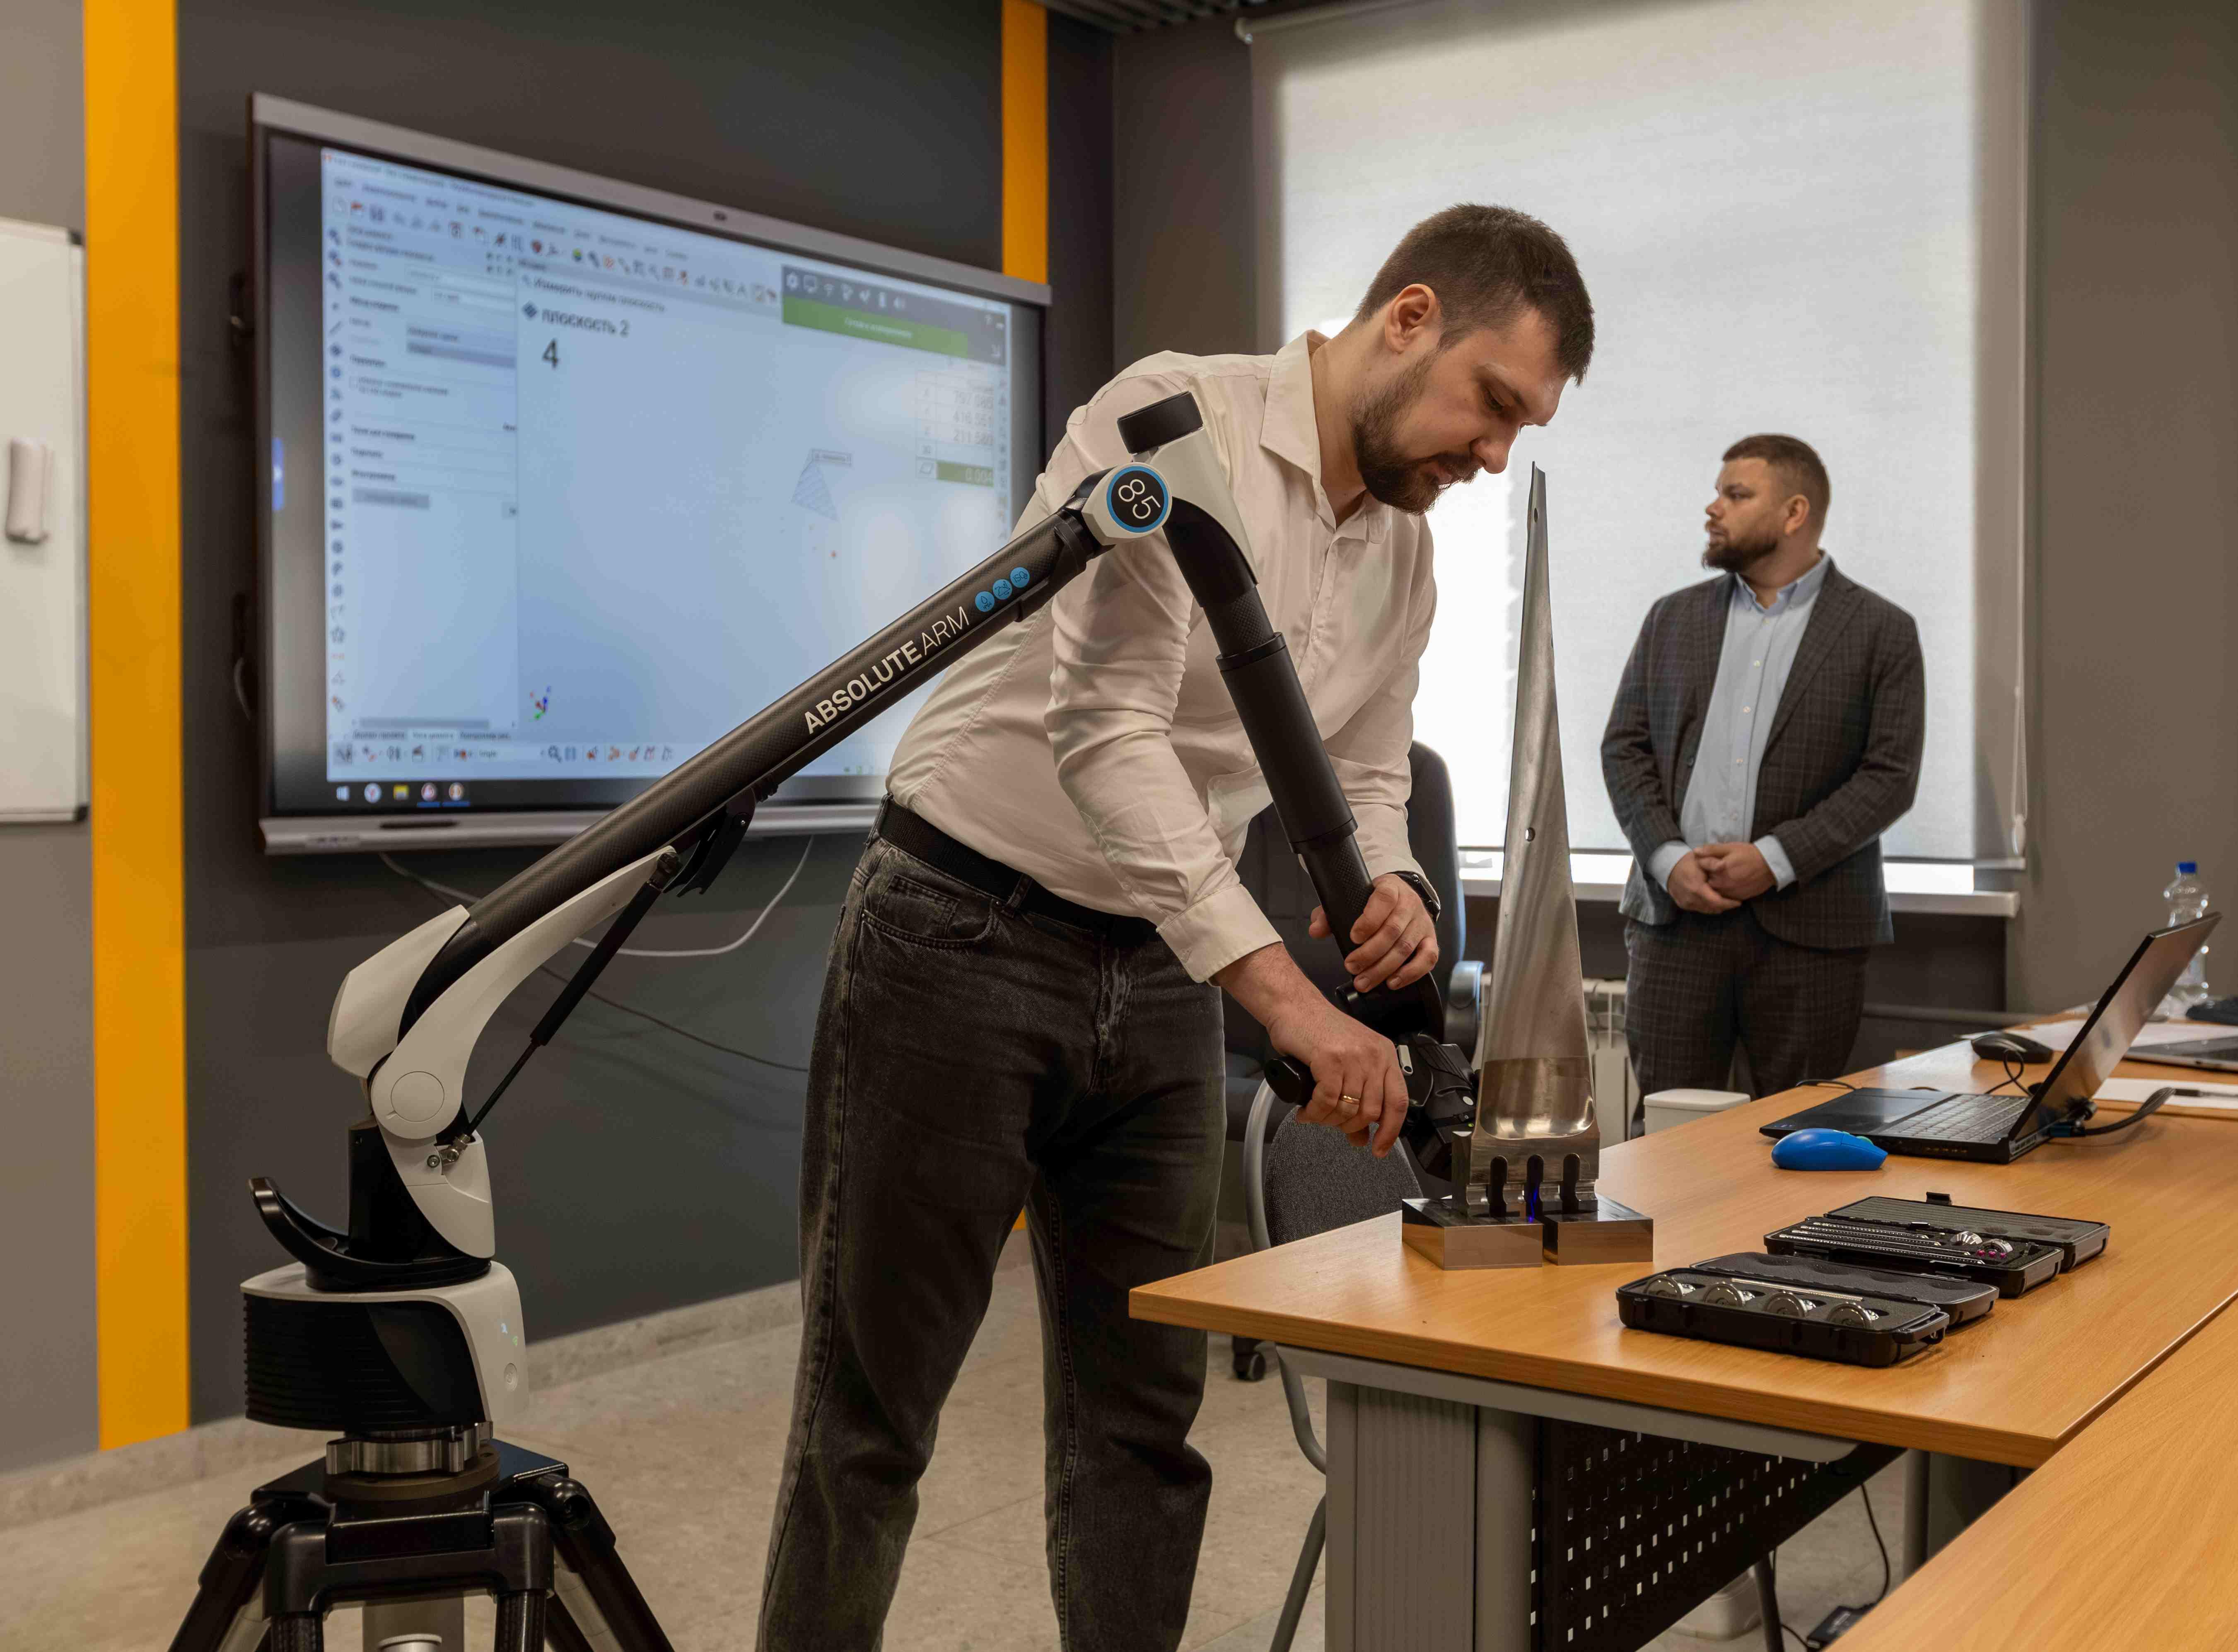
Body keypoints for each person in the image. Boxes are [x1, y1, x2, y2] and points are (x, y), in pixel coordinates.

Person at [759, 205, 1594, 1652]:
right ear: (1408, 319)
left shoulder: (1402, 551)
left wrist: (1393, 881)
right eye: (1493, 403)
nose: (1494, 454)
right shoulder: (1166, 423)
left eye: (1523, 427)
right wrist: (1289, 1002)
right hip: (960, 928)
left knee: (1142, 1422)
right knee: (870, 1419)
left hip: (1153, 963)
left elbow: (1370, 765)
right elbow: (1109, 734)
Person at [1600, 434, 1923, 1110]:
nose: (1713, 508)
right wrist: (1667, 858)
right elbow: (1625, 747)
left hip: (1813, 932)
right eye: (1718, 492)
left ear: (1794, 512)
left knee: (1800, 1135)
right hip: (1676, 924)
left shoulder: (1882, 631)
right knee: (1665, 1138)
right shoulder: (1672, 619)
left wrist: (1774, 860)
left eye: (1736, 494)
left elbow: (1888, 777)